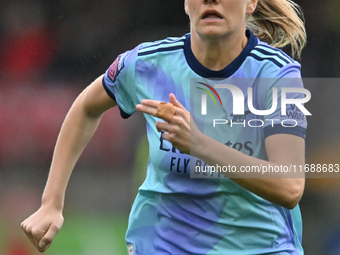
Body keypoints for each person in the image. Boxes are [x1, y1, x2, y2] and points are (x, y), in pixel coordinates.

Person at [21, 0, 308, 254]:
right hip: (162, 243)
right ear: (186, 4)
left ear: (251, 3)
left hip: (257, 247)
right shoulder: (147, 64)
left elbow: (289, 186)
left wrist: (200, 143)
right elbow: (85, 107)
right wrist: (51, 203)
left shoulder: (279, 76)